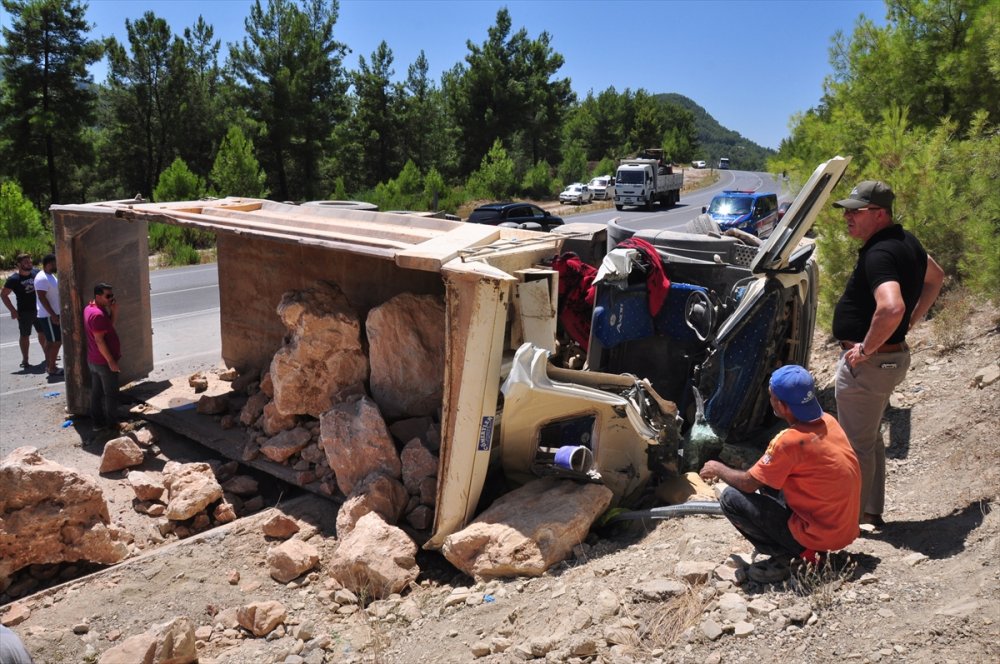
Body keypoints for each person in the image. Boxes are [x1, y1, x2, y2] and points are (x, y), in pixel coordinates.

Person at [831, 180, 944, 528]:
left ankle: (852, 521)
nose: (847, 216)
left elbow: (890, 307)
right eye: (847, 210)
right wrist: (908, 322)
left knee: (855, 445)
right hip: (889, 360)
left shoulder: (879, 253)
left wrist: (867, 347)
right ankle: (869, 512)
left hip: (870, 364)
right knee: (869, 438)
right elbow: (936, 277)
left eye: (856, 211)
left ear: (879, 214)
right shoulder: (905, 242)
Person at [700, 365, 861, 583]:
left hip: (820, 533)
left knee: (730, 499)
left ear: (782, 405)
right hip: (845, 527)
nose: (770, 401)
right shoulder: (829, 422)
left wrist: (718, 468)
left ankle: (800, 555)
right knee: (770, 482)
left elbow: (748, 484)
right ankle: (805, 547)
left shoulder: (789, 441)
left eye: (771, 397)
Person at [84, 282, 121, 434]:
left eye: (112, 295)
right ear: (98, 296)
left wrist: (114, 311)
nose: (111, 298)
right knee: (111, 394)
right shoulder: (98, 315)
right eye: (108, 296)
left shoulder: (91, 308)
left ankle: (98, 423)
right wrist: (111, 361)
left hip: (94, 359)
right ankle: (113, 425)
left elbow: (109, 327)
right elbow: (99, 340)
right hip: (103, 361)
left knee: (96, 393)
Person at [1, 253, 47, 369]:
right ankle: (25, 359)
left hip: (39, 310)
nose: (29, 264)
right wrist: (12, 310)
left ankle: (48, 355)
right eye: (26, 262)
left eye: (30, 262)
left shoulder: (36, 273)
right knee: (25, 335)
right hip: (24, 312)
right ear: (19, 264)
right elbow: (4, 295)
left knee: (43, 333)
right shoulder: (14, 279)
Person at [33, 253, 62, 377]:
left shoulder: (49, 276)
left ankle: (50, 365)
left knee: (51, 342)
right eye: (56, 263)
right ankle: (51, 368)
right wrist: (53, 315)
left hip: (52, 314)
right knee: (56, 342)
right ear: (50, 264)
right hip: (49, 316)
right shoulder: (42, 278)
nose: (58, 265)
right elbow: (42, 297)